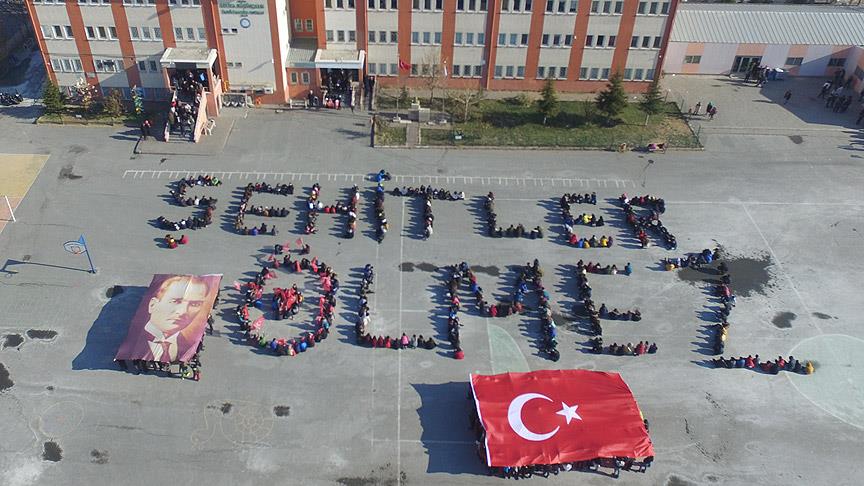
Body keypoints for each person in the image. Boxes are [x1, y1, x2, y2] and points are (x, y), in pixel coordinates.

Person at [115, 275, 216, 363]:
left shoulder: (190, 345)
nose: (182, 311)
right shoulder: (133, 342)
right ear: (152, 305)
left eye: (194, 304)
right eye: (176, 301)